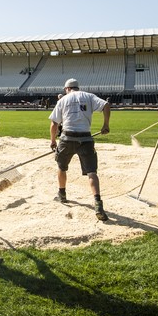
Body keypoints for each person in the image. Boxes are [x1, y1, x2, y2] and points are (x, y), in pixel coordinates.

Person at [49, 78, 111, 221]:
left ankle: (62, 194)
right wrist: (105, 125)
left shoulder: (63, 100)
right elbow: (106, 105)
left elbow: (54, 123)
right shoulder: (88, 96)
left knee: (61, 167)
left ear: (67, 89)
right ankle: (98, 203)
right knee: (91, 172)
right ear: (77, 87)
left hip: (67, 137)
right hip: (86, 138)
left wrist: (53, 141)